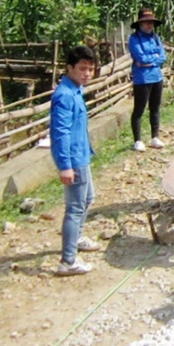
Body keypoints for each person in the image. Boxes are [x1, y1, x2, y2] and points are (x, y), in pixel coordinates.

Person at [50, 45, 100, 276]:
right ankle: (68, 261)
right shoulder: (64, 96)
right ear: (69, 68)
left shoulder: (76, 90)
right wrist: (65, 166)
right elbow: (60, 133)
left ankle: (77, 237)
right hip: (73, 159)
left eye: (90, 69)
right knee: (75, 208)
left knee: (88, 197)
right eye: (82, 69)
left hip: (81, 155)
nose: (87, 74)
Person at [128, 8, 167, 152]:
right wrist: (154, 59)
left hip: (157, 76)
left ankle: (154, 137)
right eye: (146, 23)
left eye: (151, 22)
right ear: (140, 24)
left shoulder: (156, 38)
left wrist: (150, 62)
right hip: (142, 79)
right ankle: (137, 140)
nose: (149, 25)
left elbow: (163, 56)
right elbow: (140, 57)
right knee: (139, 109)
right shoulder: (134, 39)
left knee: (155, 107)